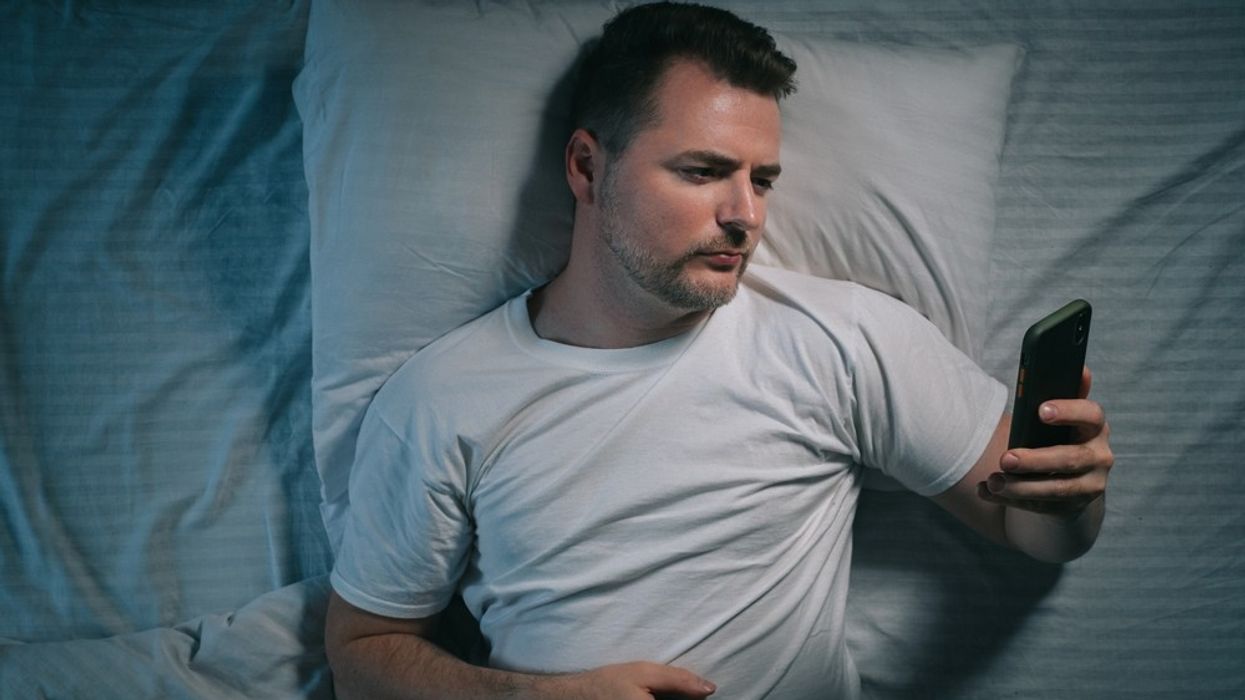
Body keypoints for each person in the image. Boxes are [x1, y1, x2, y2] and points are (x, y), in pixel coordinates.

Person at [323, 3, 1114, 699]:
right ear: (587, 167)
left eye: (762, 180)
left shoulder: (842, 339)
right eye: (702, 171)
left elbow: (1033, 537)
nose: (744, 215)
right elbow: (362, 656)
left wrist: (1070, 498)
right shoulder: (442, 397)